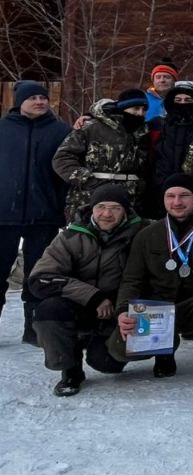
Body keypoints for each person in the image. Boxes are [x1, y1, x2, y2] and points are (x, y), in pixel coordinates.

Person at [109, 174, 193, 388]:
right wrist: (123, 310)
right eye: (170, 196)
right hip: (158, 309)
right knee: (118, 349)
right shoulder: (147, 234)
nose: (177, 202)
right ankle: (164, 350)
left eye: (184, 196)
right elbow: (131, 279)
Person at [28, 184, 144, 396]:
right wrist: (93, 297)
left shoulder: (142, 233)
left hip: (119, 308)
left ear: (126, 211)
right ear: (92, 209)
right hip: (81, 305)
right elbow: (40, 279)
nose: (106, 214)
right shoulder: (70, 236)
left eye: (115, 208)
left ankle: (100, 344)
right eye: (100, 206)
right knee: (49, 309)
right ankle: (70, 370)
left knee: (108, 365)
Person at [1, 81, 70, 345]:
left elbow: (66, 174)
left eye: (43, 97)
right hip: (3, 214)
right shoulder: (3, 129)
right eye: (33, 98)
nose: (40, 101)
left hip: (44, 214)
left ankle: (34, 328)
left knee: (38, 274)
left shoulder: (60, 131)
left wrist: (63, 206)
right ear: (19, 101)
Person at [53, 89, 151, 219]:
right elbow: (62, 158)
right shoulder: (91, 128)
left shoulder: (142, 132)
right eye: (135, 108)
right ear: (123, 108)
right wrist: (88, 180)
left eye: (144, 110)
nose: (140, 113)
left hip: (129, 202)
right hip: (89, 200)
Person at [146, 81, 193, 215]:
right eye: (178, 100)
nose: (182, 103)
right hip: (162, 188)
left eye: (188, 100)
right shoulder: (161, 125)